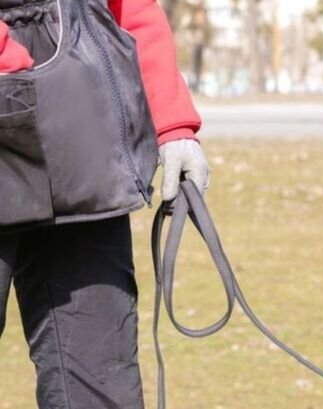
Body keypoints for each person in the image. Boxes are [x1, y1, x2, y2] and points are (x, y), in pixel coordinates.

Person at [0, 0, 210, 407]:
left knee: (100, 380)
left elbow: (133, 8)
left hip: (78, 118)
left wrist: (172, 122)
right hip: (27, 75)